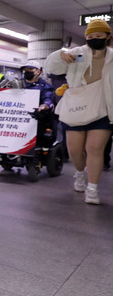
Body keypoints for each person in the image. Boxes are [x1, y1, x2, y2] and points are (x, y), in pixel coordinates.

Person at [44, 19, 113, 205]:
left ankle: (92, 188)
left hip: (103, 110)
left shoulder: (112, 57)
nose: (94, 39)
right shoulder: (79, 54)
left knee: (94, 149)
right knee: (75, 152)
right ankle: (80, 174)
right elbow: (51, 68)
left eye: (99, 36)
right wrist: (61, 55)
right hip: (76, 108)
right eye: (90, 36)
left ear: (107, 36)